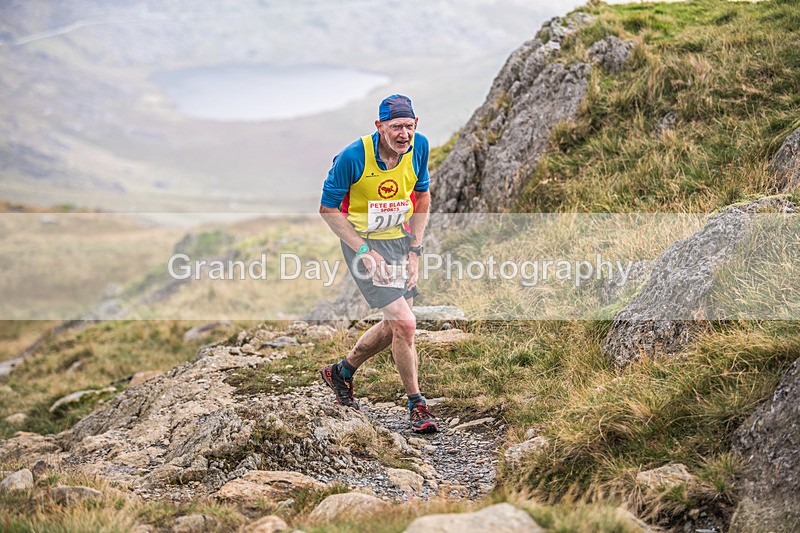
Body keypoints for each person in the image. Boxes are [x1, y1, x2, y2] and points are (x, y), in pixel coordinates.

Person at [318, 94, 437, 434]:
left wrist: (415, 250)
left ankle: (341, 371)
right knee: (406, 324)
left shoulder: (420, 147)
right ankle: (417, 406)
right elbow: (328, 210)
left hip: (399, 241)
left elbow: (422, 196)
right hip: (363, 244)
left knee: (394, 325)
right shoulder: (353, 157)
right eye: (396, 127)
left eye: (410, 127)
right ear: (379, 126)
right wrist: (363, 251)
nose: (404, 135)